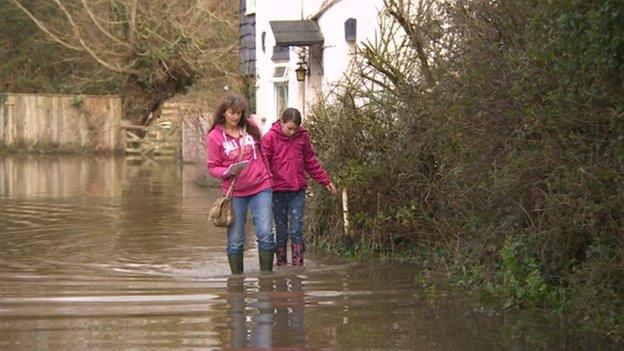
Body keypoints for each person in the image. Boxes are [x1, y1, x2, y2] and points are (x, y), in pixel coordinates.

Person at [206, 93, 275, 274]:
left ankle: (266, 279)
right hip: (235, 192)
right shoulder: (215, 136)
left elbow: (262, 153)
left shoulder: (250, 127)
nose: (236, 117)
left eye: (239, 113)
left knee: (266, 233)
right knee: (236, 239)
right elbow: (213, 167)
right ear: (223, 113)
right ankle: (237, 283)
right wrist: (227, 172)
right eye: (232, 113)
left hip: (261, 187)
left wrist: (269, 177)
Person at [262, 107, 337, 266]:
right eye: (289, 128)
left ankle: (298, 269)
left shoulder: (302, 137)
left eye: (295, 129)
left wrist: (325, 180)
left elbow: (310, 161)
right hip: (277, 192)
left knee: (296, 230)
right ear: (281, 122)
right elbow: (263, 164)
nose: (292, 132)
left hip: (297, 191)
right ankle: (281, 267)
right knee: (281, 232)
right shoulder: (269, 138)